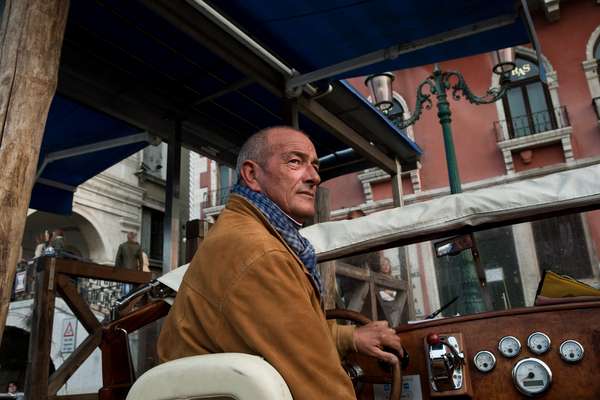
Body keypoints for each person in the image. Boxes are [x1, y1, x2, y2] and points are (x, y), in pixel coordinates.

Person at [157, 126, 403, 399]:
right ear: (252, 175)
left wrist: (350, 338)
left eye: (314, 166)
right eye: (295, 162)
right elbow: (319, 385)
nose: (314, 177)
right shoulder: (261, 253)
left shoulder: (255, 236)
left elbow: (283, 335)